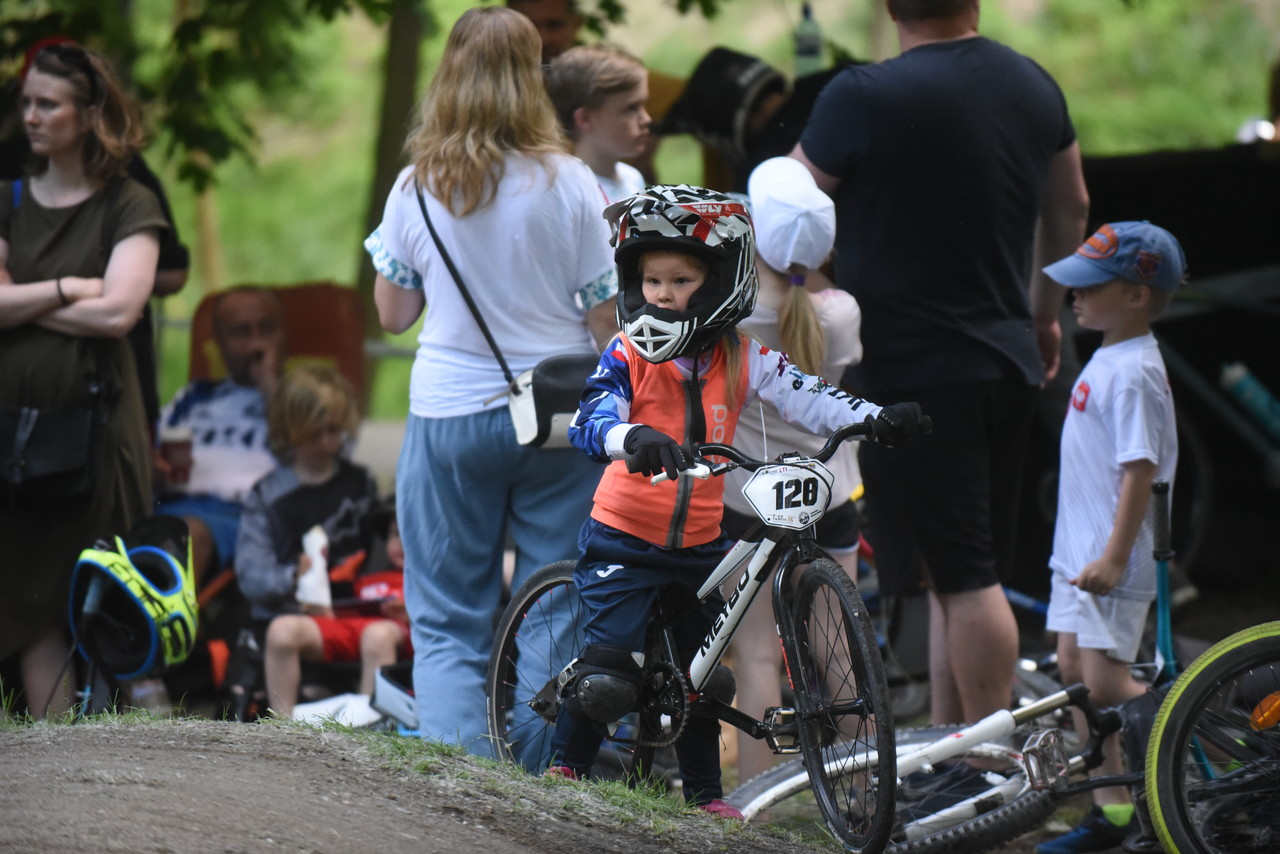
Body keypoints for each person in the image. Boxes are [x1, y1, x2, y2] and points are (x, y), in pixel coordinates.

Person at [544, 183, 925, 818]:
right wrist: (629, 436)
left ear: (721, 281)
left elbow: (808, 395)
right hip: (624, 536)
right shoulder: (628, 351)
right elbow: (591, 419)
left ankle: (705, 798)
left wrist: (875, 417)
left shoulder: (741, 355)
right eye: (651, 280)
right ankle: (564, 768)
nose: (662, 294)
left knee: (705, 681)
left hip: (701, 544)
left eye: (681, 280)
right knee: (610, 676)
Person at [791, 0, 1091, 727]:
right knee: (947, 572)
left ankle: (988, 758)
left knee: (965, 578)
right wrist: (1043, 313)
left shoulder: (861, 95)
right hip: (1008, 360)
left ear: (892, 7)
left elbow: (783, 210)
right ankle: (950, 748)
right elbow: (1072, 209)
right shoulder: (1034, 85)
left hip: (911, 372)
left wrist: (816, 290)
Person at [365, 6, 617, 755]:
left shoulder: (417, 185)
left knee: (448, 617)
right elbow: (605, 319)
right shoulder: (571, 181)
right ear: (532, 77)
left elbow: (393, 314)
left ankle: (456, 780)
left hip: (449, 416)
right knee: (553, 606)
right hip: (557, 418)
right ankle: (535, 784)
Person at [0, 43, 167, 718]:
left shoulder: (129, 203)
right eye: (27, 103)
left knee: (101, 582)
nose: (32, 117)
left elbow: (120, 312)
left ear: (89, 114)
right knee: (29, 595)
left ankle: (116, 747)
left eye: (49, 104)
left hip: (100, 436)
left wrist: (23, 302)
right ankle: (55, 750)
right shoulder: (9, 199)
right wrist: (72, 287)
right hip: (15, 437)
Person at [1034, 222, 1185, 854]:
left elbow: (1140, 471)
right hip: (1080, 551)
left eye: (1091, 287)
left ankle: (1203, 725)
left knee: (1102, 682)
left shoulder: (1136, 371)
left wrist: (1115, 557)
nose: (1075, 295)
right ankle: (1113, 810)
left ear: (1137, 295)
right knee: (1075, 674)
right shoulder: (1111, 355)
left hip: (1111, 556)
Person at [718, 156, 866, 784]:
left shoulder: (731, 314)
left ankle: (754, 798)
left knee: (757, 657)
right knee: (841, 650)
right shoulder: (841, 312)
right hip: (829, 494)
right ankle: (867, 790)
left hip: (747, 499)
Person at [154, 286, 285, 587]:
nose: (256, 344)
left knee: (185, 534)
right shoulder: (194, 397)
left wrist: (271, 388)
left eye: (266, 329)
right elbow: (151, 449)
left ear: (283, 333)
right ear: (218, 341)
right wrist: (154, 467)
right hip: (172, 503)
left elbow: (319, 459)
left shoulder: (306, 399)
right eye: (241, 332)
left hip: (245, 516)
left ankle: (164, 616)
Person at [267, 494, 409, 728]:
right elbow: (337, 615)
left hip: (398, 634)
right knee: (282, 628)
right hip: (353, 629)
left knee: (377, 634)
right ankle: (281, 722)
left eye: (411, 534)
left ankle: (367, 725)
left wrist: (412, 612)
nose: (402, 542)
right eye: (395, 534)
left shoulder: (428, 582)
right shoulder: (367, 578)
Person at [545, 44, 651, 203]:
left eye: (643, 105)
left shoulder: (632, 178)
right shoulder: (567, 193)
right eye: (631, 108)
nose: (646, 119)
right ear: (585, 118)